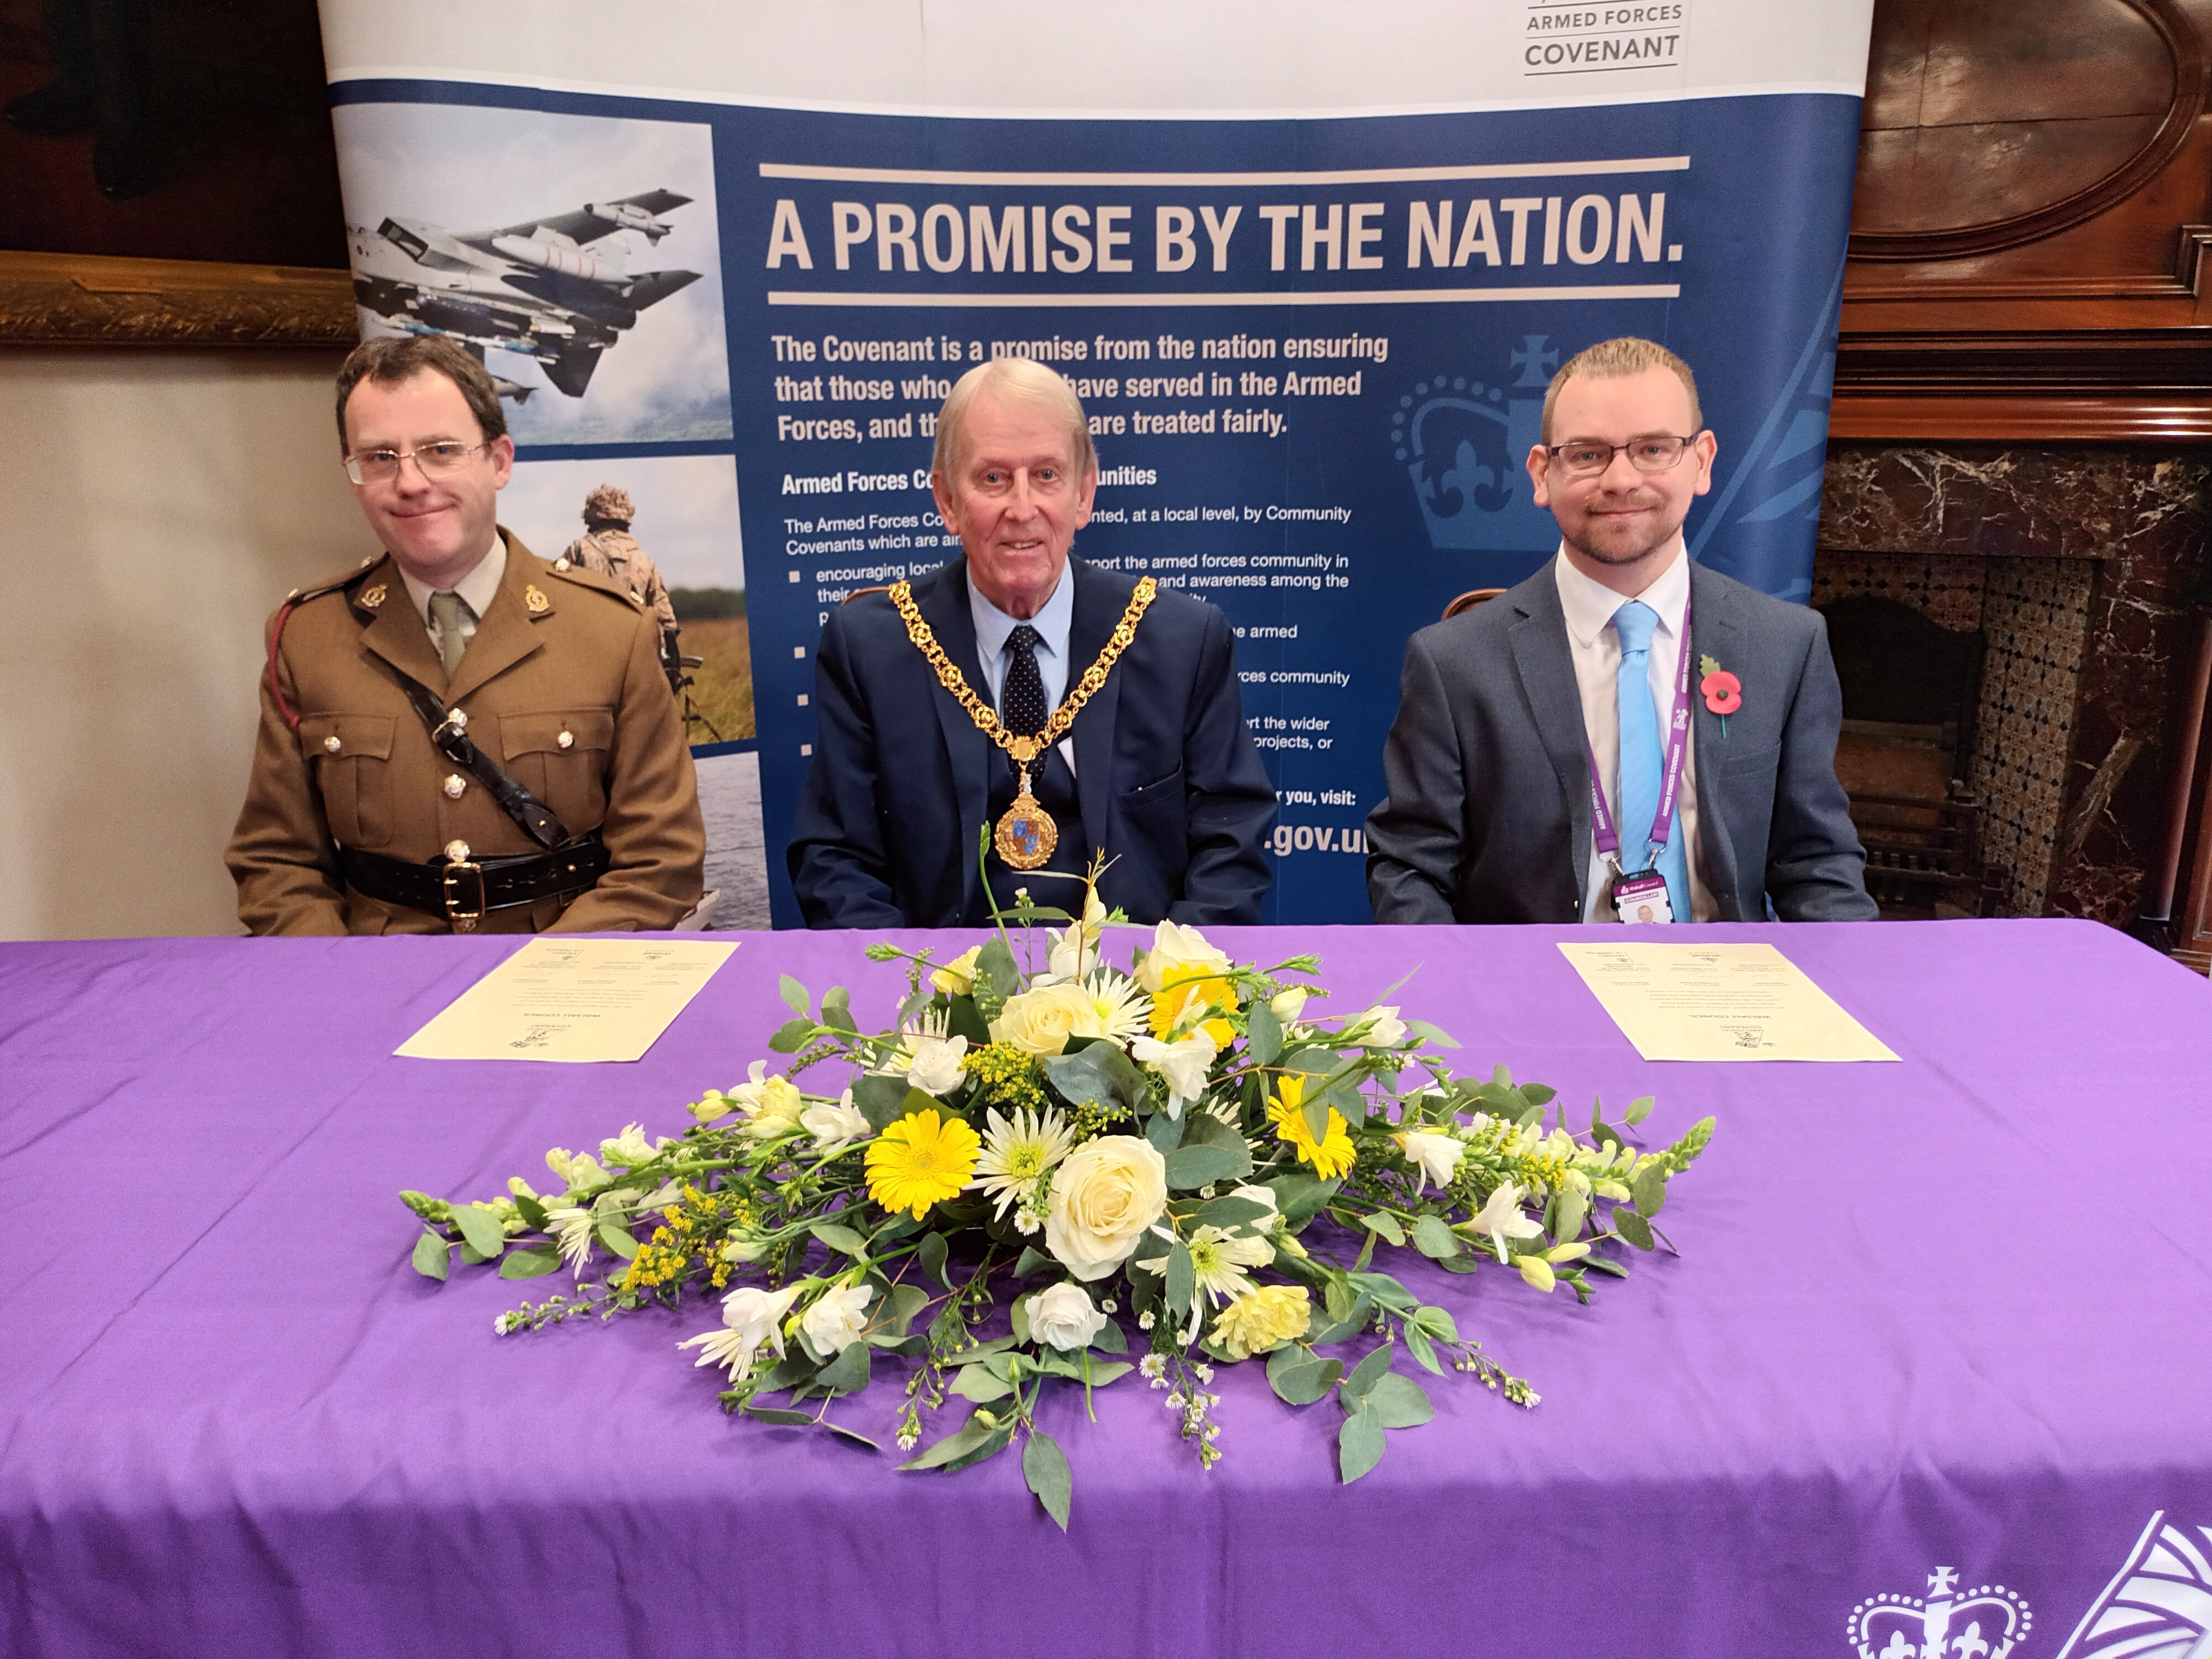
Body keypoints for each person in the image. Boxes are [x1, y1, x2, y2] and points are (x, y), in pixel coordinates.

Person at [1365, 336, 1876, 925]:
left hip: (1724, 994)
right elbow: (1409, 870)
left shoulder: (1786, 647)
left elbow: (1817, 865)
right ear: (1541, 473)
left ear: (1702, 461)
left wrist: (1838, 1002)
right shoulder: (1453, 662)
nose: (1620, 479)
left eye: (1654, 448)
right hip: (1530, 995)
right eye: (1586, 454)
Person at [226, 335, 705, 934]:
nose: (411, 482)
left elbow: (661, 860)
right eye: (379, 457)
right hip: (376, 987)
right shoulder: (307, 637)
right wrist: (341, 987)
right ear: (352, 474)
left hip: (567, 987)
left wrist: (542, 991)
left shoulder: (611, 630)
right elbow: (276, 863)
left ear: (499, 460)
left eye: (440, 450)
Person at [788, 357, 1276, 927]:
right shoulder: (870, 648)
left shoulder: (1182, 641)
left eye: (1046, 475)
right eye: (993, 478)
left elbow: (1230, 847)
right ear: (948, 501)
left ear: (1083, 493)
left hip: (1133, 992)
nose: (1022, 509)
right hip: (941, 997)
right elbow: (834, 861)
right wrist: (915, 993)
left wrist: (1168, 988)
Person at [564, 484, 684, 691]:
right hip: (639, 661)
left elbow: (557, 599)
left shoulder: (579, 551)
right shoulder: (643, 559)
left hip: (590, 658)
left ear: (591, 516)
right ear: (627, 517)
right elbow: (667, 622)